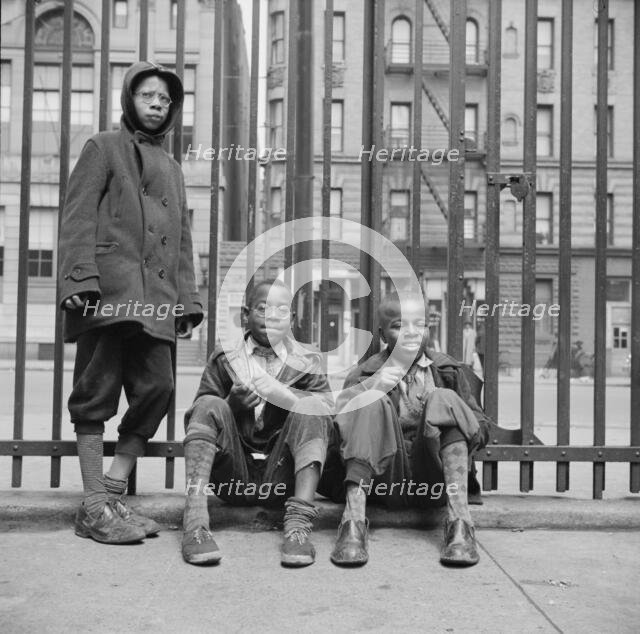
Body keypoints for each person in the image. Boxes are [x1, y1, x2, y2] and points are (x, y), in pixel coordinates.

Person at [59, 61, 203, 544]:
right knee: (95, 392)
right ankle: (95, 505)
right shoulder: (103, 147)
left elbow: (182, 241)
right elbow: (77, 216)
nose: (157, 104)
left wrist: (186, 302)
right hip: (109, 295)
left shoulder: (174, 170)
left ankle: (112, 493)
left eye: (165, 99)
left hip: (157, 301)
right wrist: (80, 277)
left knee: (158, 387)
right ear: (129, 99)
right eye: (148, 96)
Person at [319, 292, 491, 567]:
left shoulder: (448, 370)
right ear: (382, 334)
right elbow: (338, 437)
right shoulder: (363, 374)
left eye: (419, 324)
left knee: (443, 399)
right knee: (369, 398)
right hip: (384, 481)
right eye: (399, 326)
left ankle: (460, 524)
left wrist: (448, 407)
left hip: (435, 479)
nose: (411, 333)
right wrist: (372, 387)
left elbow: (480, 430)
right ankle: (353, 523)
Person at [181, 279, 333, 567]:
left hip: (283, 478)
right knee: (209, 404)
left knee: (312, 404)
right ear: (245, 315)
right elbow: (200, 417)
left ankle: (298, 526)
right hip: (233, 476)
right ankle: (195, 525)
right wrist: (231, 405)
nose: (272, 316)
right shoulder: (224, 357)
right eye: (263, 309)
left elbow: (327, 419)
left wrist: (284, 396)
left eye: (281, 310)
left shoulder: (308, 359)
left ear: (292, 319)